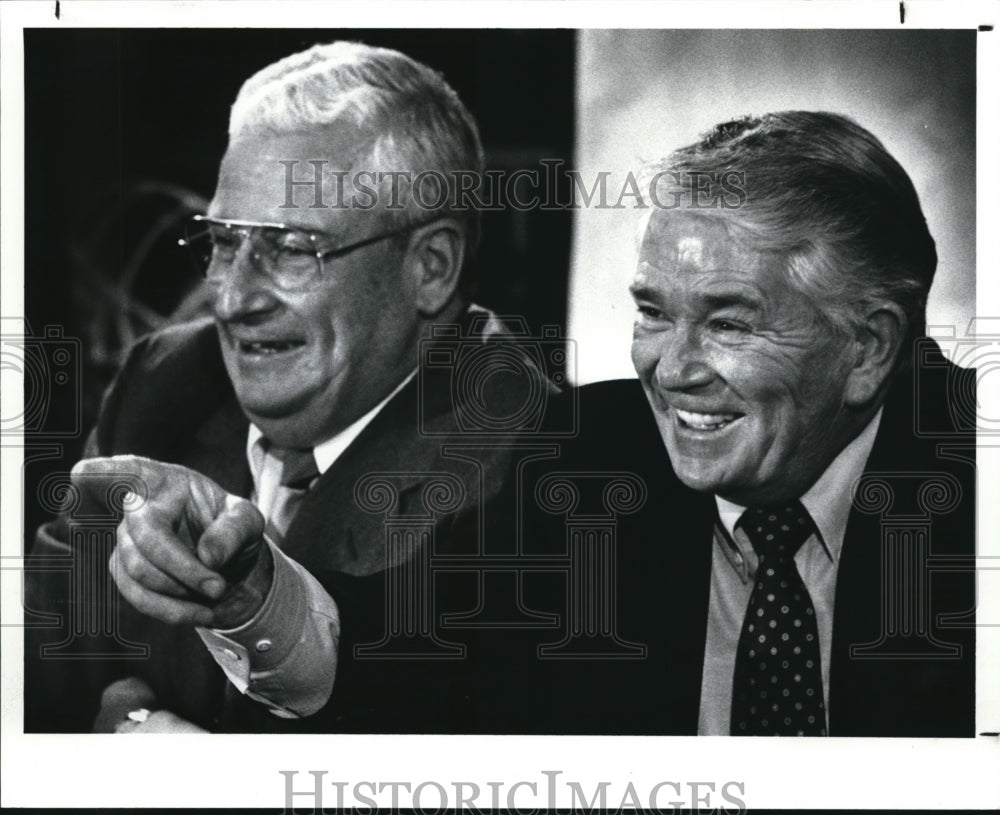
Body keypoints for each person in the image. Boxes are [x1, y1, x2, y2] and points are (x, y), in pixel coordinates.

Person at [25, 41, 554, 733]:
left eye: (292, 248)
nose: (233, 297)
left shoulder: (525, 464)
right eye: (222, 241)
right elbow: (35, 674)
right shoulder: (161, 384)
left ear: (431, 267)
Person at [515, 111, 975, 737]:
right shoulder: (580, 458)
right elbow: (382, 635)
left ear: (867, 348)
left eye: (728, 324)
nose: (673, 372)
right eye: (653, 313)